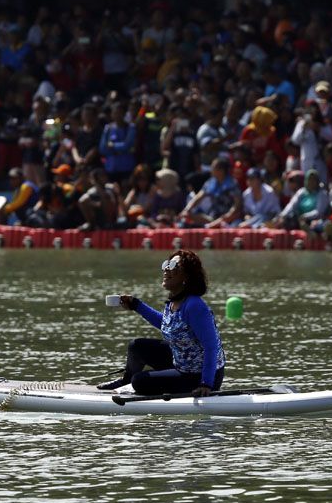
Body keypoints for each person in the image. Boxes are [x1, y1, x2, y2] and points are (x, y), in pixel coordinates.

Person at [97, 250, 225, 397]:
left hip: (200, 376)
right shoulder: (173, 301)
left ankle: (135, 383)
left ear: (187, 276)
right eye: (166, 264)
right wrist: (136, 305)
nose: (166, 269)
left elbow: (211, 347)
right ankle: (125, 382)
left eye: (173, 265)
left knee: (140, 381)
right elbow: (167, 324)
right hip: (181, 362)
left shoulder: (195, 306)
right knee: (136, 346)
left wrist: (206, 384)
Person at [179, 158, 242, 228]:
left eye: (213, 168)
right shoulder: (210, 182)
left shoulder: (232, 183)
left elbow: (237, 205)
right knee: (187, 217)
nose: (211, 170)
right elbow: (198, 197)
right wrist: (187, 210)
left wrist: (228, 215)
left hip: (228, 218)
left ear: (221, 171)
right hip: (212, 217)